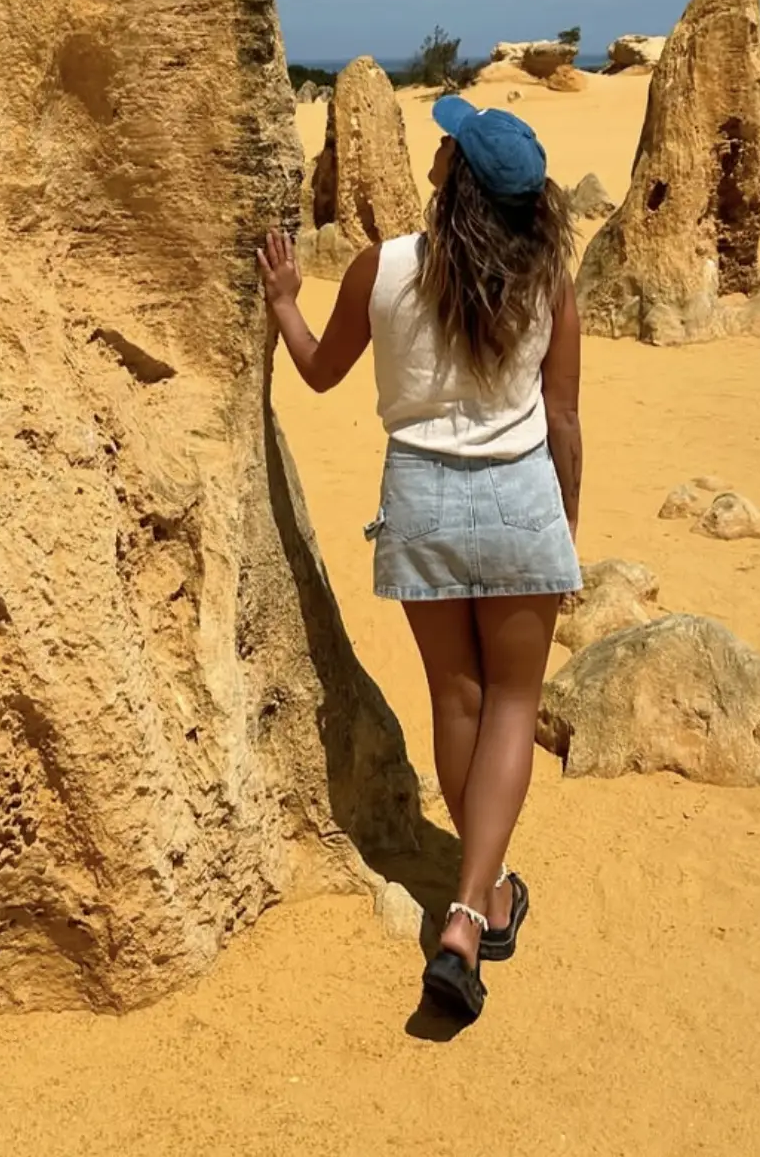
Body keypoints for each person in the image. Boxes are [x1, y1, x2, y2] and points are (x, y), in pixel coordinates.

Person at [258, 95, 582, 1022]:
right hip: (521, 500)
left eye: (447, 146)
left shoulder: (385, 267)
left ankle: (475, 903)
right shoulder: (549, 280)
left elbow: (321, 370)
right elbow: (562, 421)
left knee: (460, 698)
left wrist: (285, 305)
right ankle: (477, 909)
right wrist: (567, 525)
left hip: (421, 500)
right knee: (515, 702)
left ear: (455, 178)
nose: (436, 149)